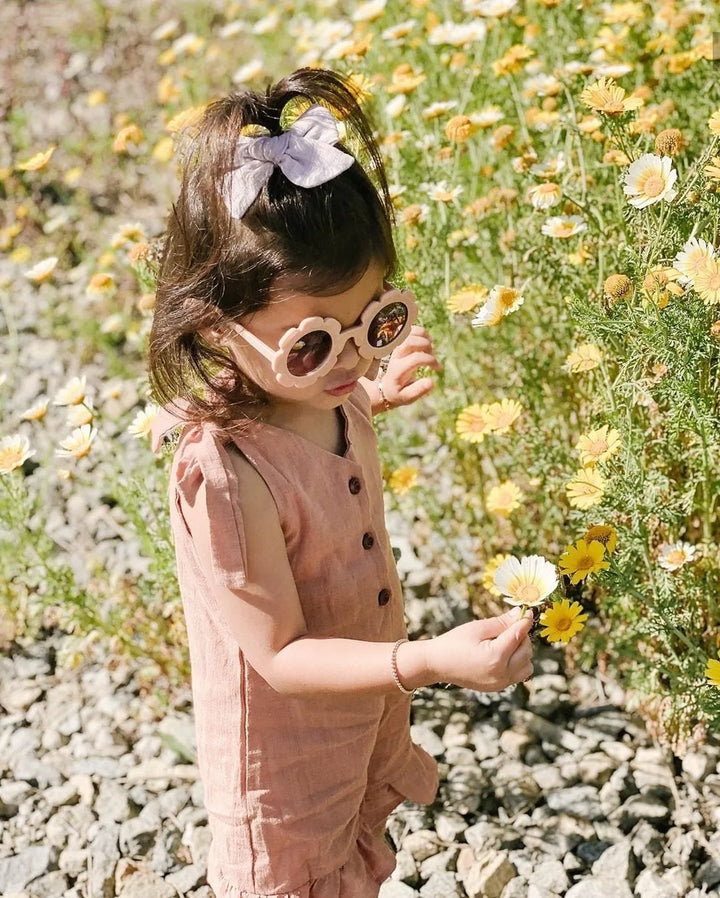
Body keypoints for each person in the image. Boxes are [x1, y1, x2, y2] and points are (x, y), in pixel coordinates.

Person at [147, 66, 534, 898]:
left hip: (358, 717)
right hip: (283, 764)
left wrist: (374, 393)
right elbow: (280, 655)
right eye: (314, 345)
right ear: (216, 327)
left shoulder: (326, 394)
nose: (353, 359)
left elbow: (328, 416)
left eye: (377, 321)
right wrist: (427, 659)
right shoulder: (226, 472)